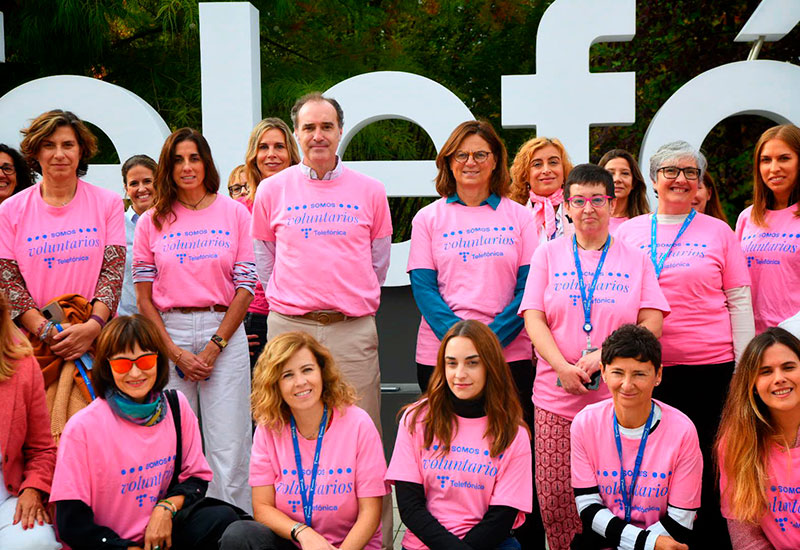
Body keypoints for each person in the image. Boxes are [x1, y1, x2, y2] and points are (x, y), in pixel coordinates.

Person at [251, 94, 393, 546]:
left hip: (350, 329)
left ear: (339, 131)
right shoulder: (272, 191)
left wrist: (342, 297)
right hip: (289, 326)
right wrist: (298, 299)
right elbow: (264, 260)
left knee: (363, 435)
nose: (318, 135)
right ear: (296, 134)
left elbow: (378, 262)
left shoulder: (369, 190)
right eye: (309, 127)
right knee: (279, 427)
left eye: (326, 126)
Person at [407, 120, 542, 547]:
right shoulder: (429, 217)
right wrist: (462, 343)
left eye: (481, 154)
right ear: (448, 160)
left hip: (511, 354)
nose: (470, 162)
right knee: (446, 454)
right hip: (439, 355)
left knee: (508, 452)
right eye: (461, 154)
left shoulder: (520, 217)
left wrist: (487, 342)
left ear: (496, 161)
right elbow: (424, 288)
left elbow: (528, 289)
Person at [520, 163, 669, 550]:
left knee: (611, 502)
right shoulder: (547, 255)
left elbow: (652, 319)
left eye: (597, 200)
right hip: (555, 399)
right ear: (566, 206)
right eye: (579, 200)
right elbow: (533, 318)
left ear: (611, 202)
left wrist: (604, 356)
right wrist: (562, 367)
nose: (588, 208)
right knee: (555, 502)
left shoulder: (634, 259)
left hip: (617, 399)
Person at [616, 140, 754, 549]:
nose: (680, 179)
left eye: (690, 172)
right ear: (654, 180)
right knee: (654, 462)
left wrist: (742, 370)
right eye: (671, 171)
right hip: (646, 371)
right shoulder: (628, 231)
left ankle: (709, 541)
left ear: (699, 183)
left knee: (710, 464)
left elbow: (739, 300)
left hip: (709, 369)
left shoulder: (719, 231)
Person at [133, 127, 256, 510]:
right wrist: (174, 352)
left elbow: (247, 286)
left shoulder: (234, 212)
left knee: (230, 443)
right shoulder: (150, 221)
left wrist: (216, 346)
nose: (187, 167)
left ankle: (233, 529)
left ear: (206, 162)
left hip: (224, 332)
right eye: (178, 159)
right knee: (171, 440)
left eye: (194, 158)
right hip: (168, 333)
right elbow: (143, 298)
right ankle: (177, 525)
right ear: (167, 167)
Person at [51, 315, 239, 550]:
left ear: (159, 361)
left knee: (223, 519)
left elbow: (196, 479)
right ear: (106, 366)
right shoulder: (82, 428)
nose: (135, 373)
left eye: (145, 361)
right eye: (122, 364)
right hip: (110, 545)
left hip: (161, 537)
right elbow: (71, 523)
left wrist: (165, 508)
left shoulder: (175, 406)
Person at [220, 331, 387, 550]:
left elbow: (370, 513)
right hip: (296, 542)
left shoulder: (358, 424)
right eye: (287, 375)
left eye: (307, 370)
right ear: (274, 384)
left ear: (322, 372)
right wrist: (302, 532)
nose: (300, 382)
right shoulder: (268, 429)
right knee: (240, 534)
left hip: (349, 547)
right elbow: (261, 507)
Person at [386, 320, 532, 550]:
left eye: (472, 363)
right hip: (426, 543)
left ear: (490, 366)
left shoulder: (514, 432)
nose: (459, 374)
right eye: (451, 363)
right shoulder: (416, 419)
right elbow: (409, 506)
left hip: (490, 544)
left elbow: (502, 518)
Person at [0, 110, 125, 360]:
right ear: (35, 153)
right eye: (49, 145)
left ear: (81, 151)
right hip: (34, 345)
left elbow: (112, 273)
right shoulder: (9, 210)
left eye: (68, 145)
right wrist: (47, 331)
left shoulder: (108, 203)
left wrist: (92, 327)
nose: (59, 154)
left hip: (98, 340)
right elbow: (10, 283)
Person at [571, 324, 702, 550]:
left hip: (666, 543)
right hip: (613, 542)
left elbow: (682, 518)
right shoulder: (585, 423)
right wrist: (647, 544)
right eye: (618, 373)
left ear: (658, 375)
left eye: (639, 374)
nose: (627, 385)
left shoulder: (683, 430)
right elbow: (588, 506)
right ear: (603, 372)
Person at [716, 327, 800, 550]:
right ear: (752, 385)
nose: (779, 378)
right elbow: (744, 530)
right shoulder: (736, 443)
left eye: (788, 367)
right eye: (766, 371)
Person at [240, 118, 300, 372]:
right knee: (261, 407)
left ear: (291, 154)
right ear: (254, 155)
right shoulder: (239, 210)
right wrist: (233, 333)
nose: (271, 154)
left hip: (299, 316)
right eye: (263, 147)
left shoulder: (303, 207)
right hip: (254, 318)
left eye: (279, 146)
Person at [0, 293, 60, 549]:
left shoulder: (23, 366)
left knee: (37, 542)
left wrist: (32, 489)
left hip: (6, 491)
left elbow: (42, 449)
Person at [736, 124, 800, 334]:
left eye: (784, 158)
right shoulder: (747, 217)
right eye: (766, 160)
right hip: (753, 341)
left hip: (795, 339)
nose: (774, 168)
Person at [509, 136, 573, 243]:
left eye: (553, 162)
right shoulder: (513, 216)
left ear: (564, 170)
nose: (546, 170)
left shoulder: (580, 211)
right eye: (537, 164)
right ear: (525, 174)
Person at [118, 155, 157, 317]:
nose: (141, 189)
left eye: (147, 181)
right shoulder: (116, 227)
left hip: (170, 323)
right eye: (134, 183)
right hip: (129, 324)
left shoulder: (175, 224)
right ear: (126, 188)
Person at [597, 149, 650, 234]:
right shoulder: (588, 222)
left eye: (625, 173)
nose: (617, 179)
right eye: (610, 173)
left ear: (634, 182)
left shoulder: (647, 225)